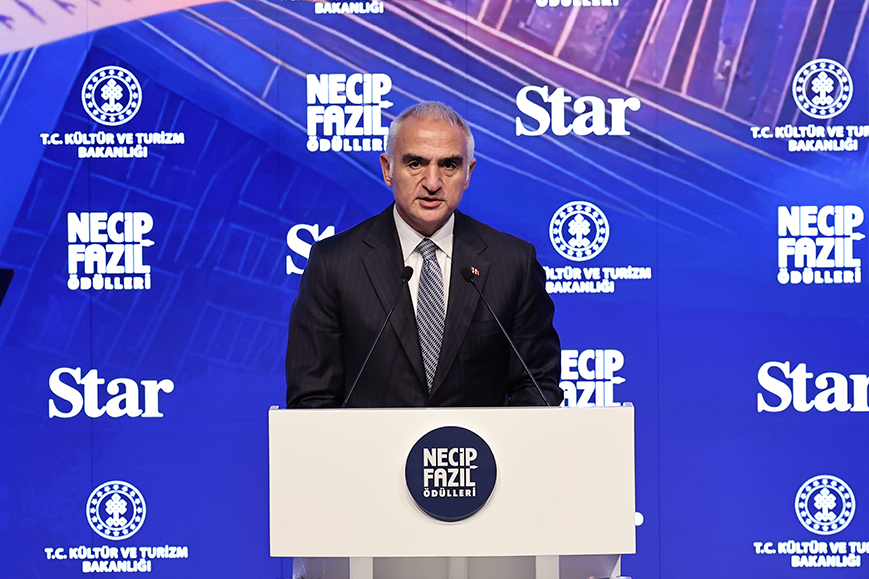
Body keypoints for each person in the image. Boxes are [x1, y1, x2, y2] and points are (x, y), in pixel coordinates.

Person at [286, 101, 562, 407]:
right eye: (416, 163)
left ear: (468, 173)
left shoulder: (513, 263)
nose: (432, 183)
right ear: (388, 169)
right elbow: (312, 398)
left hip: (477, 441)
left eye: (449, 165)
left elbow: (537, 386)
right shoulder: (334, 263)